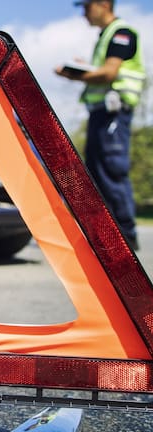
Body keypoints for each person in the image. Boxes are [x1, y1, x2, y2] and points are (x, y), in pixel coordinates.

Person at [55, 0, 146, 250]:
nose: (84, 13)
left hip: (113, 113)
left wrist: (74, 74)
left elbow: (109, 73)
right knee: (97, 171)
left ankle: (125, 237)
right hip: (101, 113)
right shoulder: (106, 36)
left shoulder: (121, 33)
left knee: (111, 170)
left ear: (103, 4)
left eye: (86, 7)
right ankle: (106, 236)